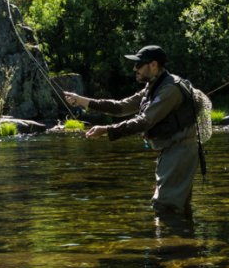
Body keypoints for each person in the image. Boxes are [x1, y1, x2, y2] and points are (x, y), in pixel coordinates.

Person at [63, 45, 199, 217]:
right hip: (172, 150)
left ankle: (167, 243)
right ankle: (183, 241)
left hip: (180, 151)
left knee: (164, 206)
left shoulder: (169, 89)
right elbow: (121, 107)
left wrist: (106, 129)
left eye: (139, 64)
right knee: (177, 207)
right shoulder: (154, 85)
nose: (135, 69)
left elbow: (144, 121)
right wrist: (83, 101)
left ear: (154, 65)